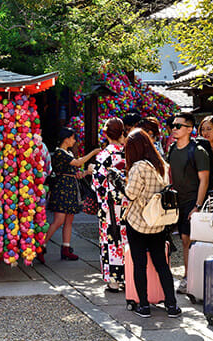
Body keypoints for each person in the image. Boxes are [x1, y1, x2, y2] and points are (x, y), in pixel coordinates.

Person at [122, 129, 181, 318]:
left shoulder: (138, 167)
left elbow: (130, 194)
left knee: (139, 264)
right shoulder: (161, 164)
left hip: (138, 221)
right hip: (157, 222)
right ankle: (172, 305)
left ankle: (144, 306)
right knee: (161, 264)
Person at [40, 127, 100, 262]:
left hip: (70, 189)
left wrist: (85, 173)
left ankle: (66, 248)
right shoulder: (59, 153)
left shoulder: (67, 153)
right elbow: (78, 163)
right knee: (59, 220)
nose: (74, 141)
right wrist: (93, 153)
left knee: (69, 220)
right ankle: (41, 246)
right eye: (73, 138)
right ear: (66, 139)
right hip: (62, 190)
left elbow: (75, 172)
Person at [166, 112, 209, 294]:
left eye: (178, 126)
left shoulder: (198, 151)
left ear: (190, 129)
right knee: (169, 239)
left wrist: (197, 206)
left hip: (191, 200)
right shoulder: (172, 148)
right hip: (174, 200)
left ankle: (188, 278)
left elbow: (204, 180)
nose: (174, 129)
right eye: (173, 125)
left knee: (187, 240)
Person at [92, 118, 128, 291]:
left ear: (105, 134)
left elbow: (98, 183)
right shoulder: (128, 153)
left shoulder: (104, 155)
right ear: (122, 133)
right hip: (128, 204)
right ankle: (128, 276)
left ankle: (114, 279)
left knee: (110, 241)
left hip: (109, 206)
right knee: (127, 240)